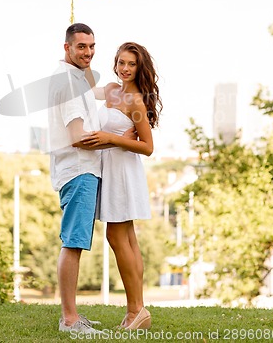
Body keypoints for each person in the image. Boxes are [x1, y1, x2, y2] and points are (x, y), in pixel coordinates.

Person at [80, 42, 163, 330]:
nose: (125, 69)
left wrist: (111, 138)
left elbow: (148, 146)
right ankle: (137, 312)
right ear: (115, 64)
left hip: (124, 173)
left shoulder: (136, 101)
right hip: (110, 169)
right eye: (121, 63)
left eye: (131, 64)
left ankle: (135, 310)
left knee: (117, 237)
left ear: (139, 68)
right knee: (126, 238)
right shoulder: (112, 91)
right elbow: (84, 89)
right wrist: (75, 62)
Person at [48, 23, 103, 335]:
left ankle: (72, 315)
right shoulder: (69, 82)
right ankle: (70, 320)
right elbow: (77, 136)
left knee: (74, 243)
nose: (88, 52)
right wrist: (117, 140)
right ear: (66, 47)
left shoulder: (73, 79)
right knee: (73, 243)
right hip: (79, 169)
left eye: (92, 46)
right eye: (81, 46)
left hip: (79, 170)